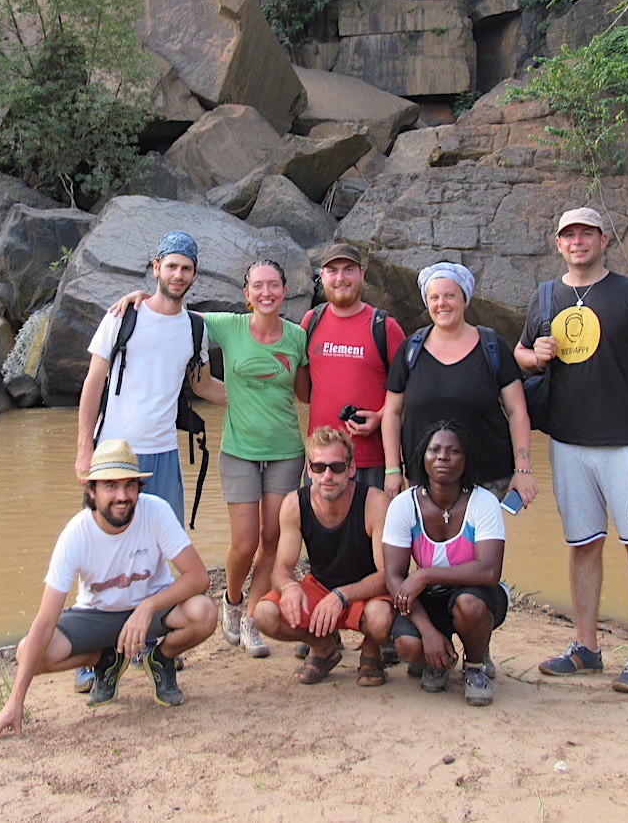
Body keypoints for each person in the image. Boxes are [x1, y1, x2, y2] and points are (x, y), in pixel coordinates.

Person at [112, 259, 308, 661]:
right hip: (239, 450)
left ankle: (253, 617)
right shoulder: (229, 326)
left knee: (272, 539)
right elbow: (176, 309)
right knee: (245, 542)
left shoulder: (297, 336)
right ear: (246, 294)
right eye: (258, 286)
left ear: (285, 291)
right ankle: (232, 600)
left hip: (286, 449)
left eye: (273, 286)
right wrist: (141, 298)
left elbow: (305, 392)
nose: (266, 293)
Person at [514, 207, 628, 694]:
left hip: (627, 443)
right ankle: (586, 646)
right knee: (583, 544)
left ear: (604, 238)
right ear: (557, 243)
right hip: (567, 441)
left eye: (586, 233)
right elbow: (520, 354)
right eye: (569, 235)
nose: (577, 242)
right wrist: (532, 356)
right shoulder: (547, 296)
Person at [0, 439, 217, 741]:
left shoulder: (156, 512)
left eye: (130, 485)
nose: (122, 496)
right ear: (91, 491)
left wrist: (147, 606)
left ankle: (160, 659)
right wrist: (15, 702)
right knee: (29, 651)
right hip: (97, 616)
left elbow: (198, 577)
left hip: (153, 612)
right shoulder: (76, 534)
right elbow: (45, 619)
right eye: (110, 486)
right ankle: (105, 659)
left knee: (204, 613)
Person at [76, 231, 221, 525]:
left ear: (194, 274)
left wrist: (257, 396)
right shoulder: (123, 316)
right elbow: (93, 382)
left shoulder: (195, 328)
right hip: (115, 452)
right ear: (156, 268)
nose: (178, 275)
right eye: (171, 266)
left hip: (165, 453)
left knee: (162, 544)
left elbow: (201, 383)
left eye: (186, 268)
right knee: (104, 543)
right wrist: (84, 449)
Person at [381, 262, 538, 507]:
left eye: (450, 295)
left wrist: (523, 470)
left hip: (488, 480)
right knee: (428, 546)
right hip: (425, 480)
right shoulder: (410, 351)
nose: (441, 303)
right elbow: (391, 412)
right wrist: (392, 469)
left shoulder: (492, 347)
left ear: (464, 299)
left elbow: (517, 411)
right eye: (434, 297)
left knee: (484, 546)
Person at [252, 426, 394, 686]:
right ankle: (323, 648)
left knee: (381, 619)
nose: (327, 476)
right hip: (319, 587)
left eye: (336, 467)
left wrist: (342, 595)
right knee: (264, 613)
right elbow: (282, 568)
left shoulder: (375, 502)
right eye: (319, 468)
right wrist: (289, 587)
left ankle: (371, 650)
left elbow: (389, 575)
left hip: (366, 592)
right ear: (309, 469)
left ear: (351, 469)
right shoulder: (294, 504)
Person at [383, 420, 507, 706]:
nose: (442, 457)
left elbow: (489, 571)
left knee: (471, 605)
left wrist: (425, 575)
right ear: (422, 458)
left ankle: (475, 665)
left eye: (454, 451)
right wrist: (428, 633)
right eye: (434, 450)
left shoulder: (483, 502)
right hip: (429, 600)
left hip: (475, 593)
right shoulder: (404, 505)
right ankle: (438, 658)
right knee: (407, 646)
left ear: (466, 460)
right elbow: (394, 578)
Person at [300, 243, 405, 491]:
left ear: (362, 274)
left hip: (371, 461)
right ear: (322, 276)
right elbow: (303, 393)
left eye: (348, 270)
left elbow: (410, 390)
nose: (340, 278)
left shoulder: (384, 327)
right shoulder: (310, 321)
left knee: (374, 530)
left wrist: (380, 417)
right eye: (332, 271)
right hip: (320, 464)